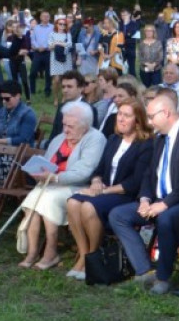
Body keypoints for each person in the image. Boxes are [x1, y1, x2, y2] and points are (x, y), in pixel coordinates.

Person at [108, 89, 179, 294]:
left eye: (152, 117)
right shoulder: (160, 138)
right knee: (118, 215)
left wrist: (165, 203)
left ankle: (163, 278)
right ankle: (145, 271)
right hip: (157, 200)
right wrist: (144, 199)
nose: (150, 122)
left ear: (167, 114)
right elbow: (149, 174)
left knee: (166, 218)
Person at [64, 98, 153, 279]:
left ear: (138, 120)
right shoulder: (113, 139)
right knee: (73, 202)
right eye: (119, 114)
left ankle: (93, 257)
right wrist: (96, 181)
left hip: (127, 196)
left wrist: (101, 191)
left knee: (89, 206)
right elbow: (100, 169)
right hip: (105, 191)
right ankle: (83, 255)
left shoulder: (145, 144)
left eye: (127, 115)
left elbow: (134, 183)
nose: (121, 119)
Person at [18, 102, 107, 269]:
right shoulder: (60, 138)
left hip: (78, 187)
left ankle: (51, 251)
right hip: (51, 185)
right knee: (32, 199)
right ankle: (32, 251)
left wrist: (55, 178)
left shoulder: (95, 138)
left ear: (85, 125)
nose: (65, 130)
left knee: (48, 200)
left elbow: (84, 172)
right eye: (64, 124)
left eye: (71, 126)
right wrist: (39, 174)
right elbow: (46, 162)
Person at [47, 16, 74, 104]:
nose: (62, 26)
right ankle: (55, 97)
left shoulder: (68, 34)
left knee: (65, 79)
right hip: (55, 59)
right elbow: (50, 47)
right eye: (60, 24)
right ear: (56, 25)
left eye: (64, 24)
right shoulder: (52, 34)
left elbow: (69, 45)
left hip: (66, 59)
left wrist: (56, 43)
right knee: (56, 80)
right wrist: (62, 44)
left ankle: (64, 97)